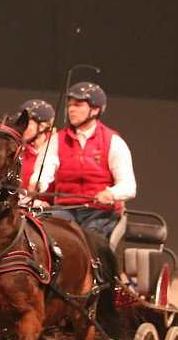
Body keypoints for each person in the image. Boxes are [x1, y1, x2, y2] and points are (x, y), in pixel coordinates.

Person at [35, 82, 136, 238]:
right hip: (66, 210)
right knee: (43, 231)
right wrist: (38, 182)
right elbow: (46, 168)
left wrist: (111, 194)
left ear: (95, 110)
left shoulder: (113, 141)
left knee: (91, 239)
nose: (72, 109)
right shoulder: (56, 140)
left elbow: (128, 185)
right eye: (70, 105)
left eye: (78, 105)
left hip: (100, 211)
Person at [17, 98, 55, 194]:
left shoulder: (56, 148)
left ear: (42, 126)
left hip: (51, 207)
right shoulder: (18, 150)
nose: (21, 126)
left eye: (26, 123)